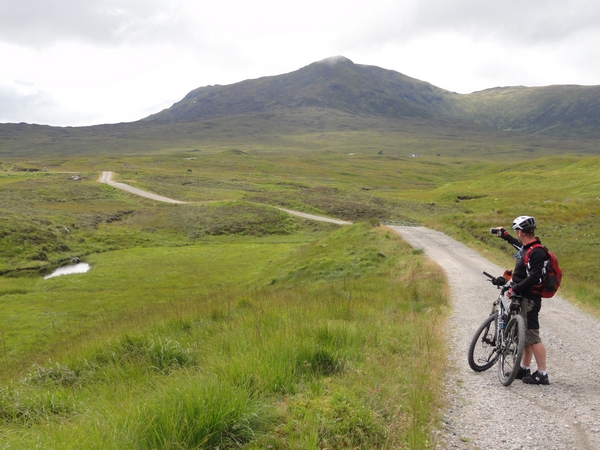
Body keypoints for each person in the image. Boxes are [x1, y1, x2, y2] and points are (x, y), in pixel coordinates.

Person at [492, 215, 550, 385]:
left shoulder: (537, 252)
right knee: (523, 335)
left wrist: (514, 288)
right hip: (522, 297)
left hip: (530, 299)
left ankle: (542, 373)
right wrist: (505, 236)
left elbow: (534, 277)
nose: (516, 234)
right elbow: (517, 247)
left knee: (532, 335)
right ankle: (524, 368)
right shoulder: (527, 247)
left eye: (516, 231)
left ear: (521, 232)